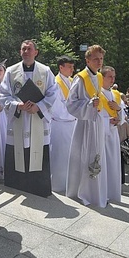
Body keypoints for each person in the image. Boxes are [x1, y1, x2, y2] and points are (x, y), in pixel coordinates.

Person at [0, 40, 58, 197]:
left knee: (38, 153)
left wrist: (39, 106)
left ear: (36, 52)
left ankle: (39, 189)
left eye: (29, 49)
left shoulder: (45, 71)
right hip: (19, 120)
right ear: (20, 52)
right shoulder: (11, 71)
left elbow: (53, 93)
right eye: (23, 49)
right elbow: (3, 94)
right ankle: (16, 187)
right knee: (18, 152)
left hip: (37, 119)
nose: (26, 51)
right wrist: (17, 105)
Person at [65, 45, 113, 207]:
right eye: (95, 59)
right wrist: (89, 105)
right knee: (84, 156)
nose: (99, 62)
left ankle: (95, 192)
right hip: (84, 124)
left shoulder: (99, 77)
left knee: (97, 155)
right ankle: (82, 193)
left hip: (97, 122)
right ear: (87, 60)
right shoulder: (80, 78)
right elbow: (70, 104)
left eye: (101, 59)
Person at [49, 55, 77, 193]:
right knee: (60, 155)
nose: (72, 69)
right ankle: (57, 185)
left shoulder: (71, 81)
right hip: (60, 124)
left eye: (73, 66)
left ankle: (69, 183)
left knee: (70, 156)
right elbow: (57, 109)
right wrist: (75, 113)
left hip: (72, 124)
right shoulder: (55, 83)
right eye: (70, 67)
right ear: (61, 67)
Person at [99, 65, 123, 195]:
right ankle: (101, 190)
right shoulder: (97, 93)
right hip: (101, 133)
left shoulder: (116, 94)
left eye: (114, 77)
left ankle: (112, 191)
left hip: (113, 134)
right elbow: (94, 115)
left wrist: (118, 110)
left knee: (113, 163)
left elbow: (123, 115)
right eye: (109, 77)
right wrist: (107, 121)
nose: (112, 80)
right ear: (102, 78)